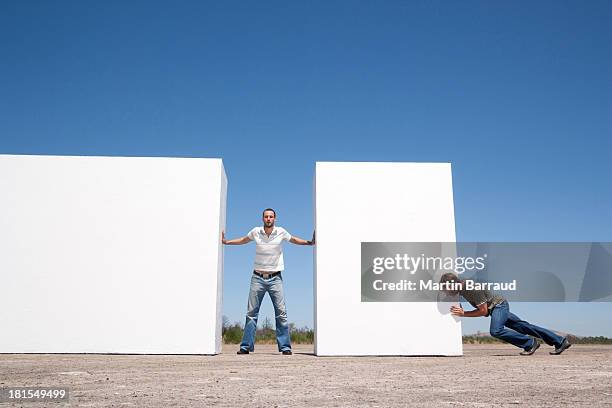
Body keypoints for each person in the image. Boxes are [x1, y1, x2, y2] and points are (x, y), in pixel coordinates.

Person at [222, 208, 314, 355]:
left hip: (275, 278)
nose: (268, 219)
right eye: (266, 217)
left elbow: (294, 239)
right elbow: (243, 240)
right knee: (251, 313)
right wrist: (227, 242)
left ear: (275, 218)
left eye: (271, 217)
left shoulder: (281, 232)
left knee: (281, 313)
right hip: (257, 278)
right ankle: (246, 346)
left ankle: (285, 347)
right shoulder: (256, 232)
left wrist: (310, 243)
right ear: (262, 219)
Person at [440, 272, 571, 355]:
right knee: (525, 327)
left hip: (498, 306)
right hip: (496, 307)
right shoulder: (462, 286)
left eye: (446, 289)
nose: (446, 292)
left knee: (496, 331)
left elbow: (483, 311)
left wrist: (464, 314)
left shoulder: (471, 288)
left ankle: (530, 343)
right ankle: (560, 341)